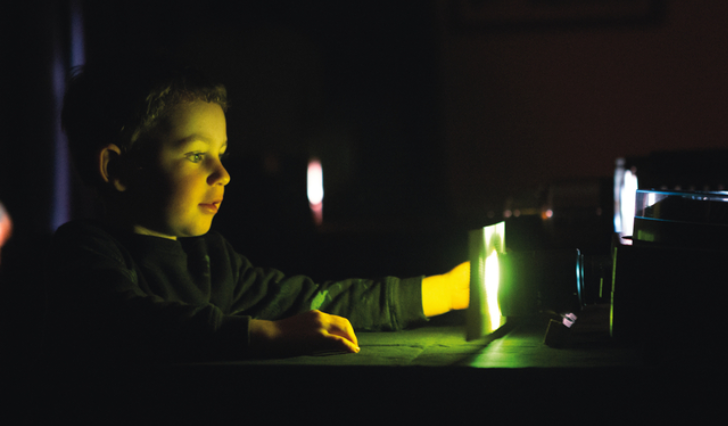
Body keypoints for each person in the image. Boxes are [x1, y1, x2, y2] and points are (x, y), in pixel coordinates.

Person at [48, 58, 469, 363]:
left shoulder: (212, 258)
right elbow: (132, 323)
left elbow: (310, 300)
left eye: (222, 153)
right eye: (196, 156)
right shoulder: (83, 252)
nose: (223, 174)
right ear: (117, 169)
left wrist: (438, 292)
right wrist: (261, 335)